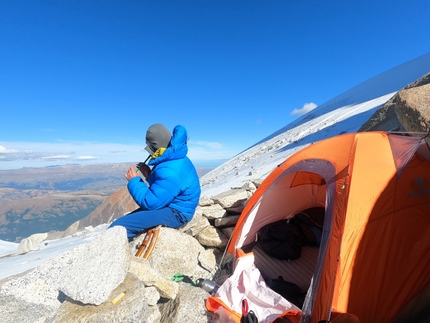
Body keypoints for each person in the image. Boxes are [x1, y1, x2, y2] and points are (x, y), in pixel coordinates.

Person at [109, 124, 201, 241]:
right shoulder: (175, 156)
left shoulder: (170, 169)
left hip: (177, 213)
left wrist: (134, 181)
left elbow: (150, 203)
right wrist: (149, 176)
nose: (146, 149)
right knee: (122, 225)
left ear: (155, 146)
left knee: (117, 228)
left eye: (148, 146)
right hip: (171, 205)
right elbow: (166, 189)